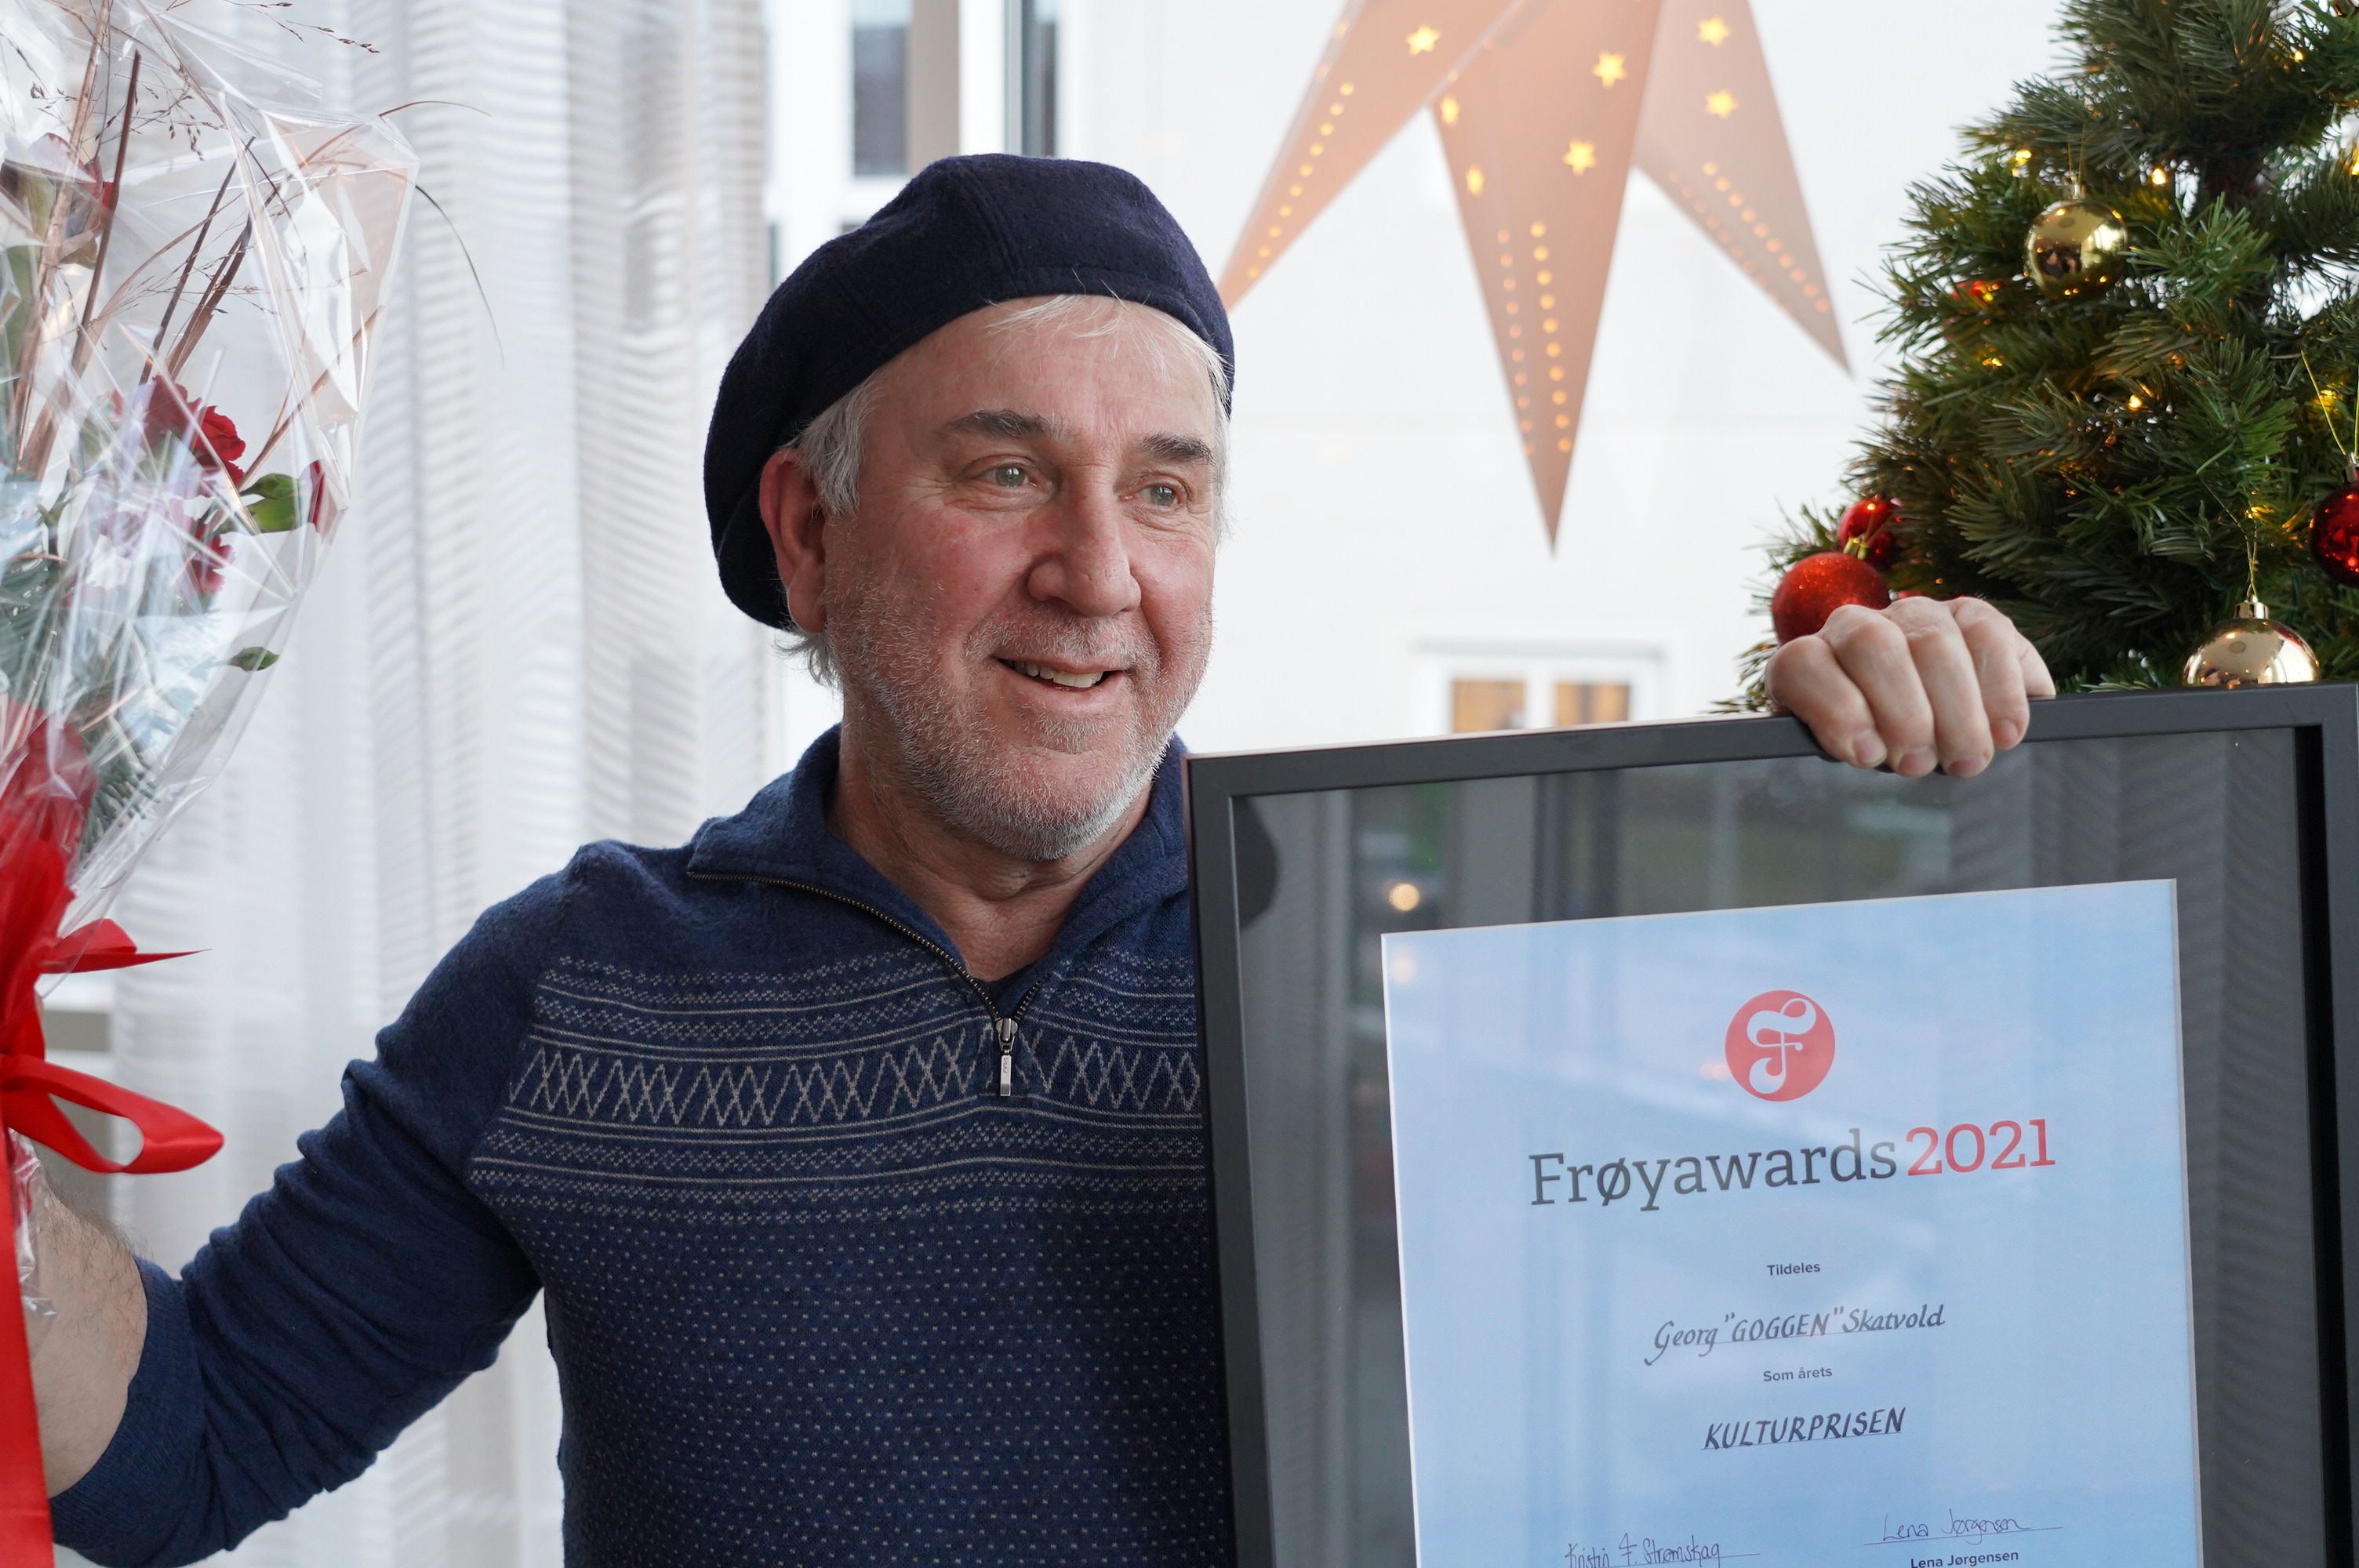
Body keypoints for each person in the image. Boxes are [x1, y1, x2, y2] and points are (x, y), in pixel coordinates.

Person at [31, 154, 2052, 1566]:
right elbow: (180, 1452)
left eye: (1166, 490)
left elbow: (1843, 1311)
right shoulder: (576, 987)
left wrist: (1892, 796)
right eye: (1005, 471)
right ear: (808, 534)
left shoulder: (1416, 947)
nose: (1098, 573)